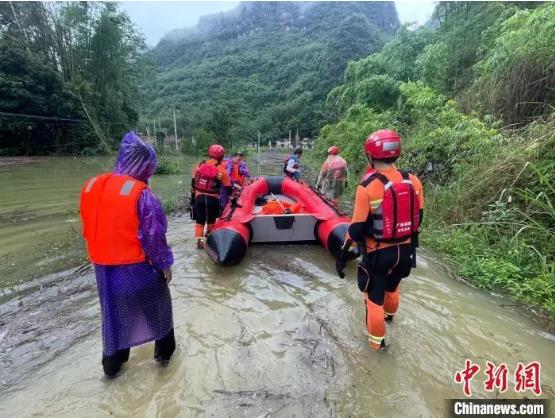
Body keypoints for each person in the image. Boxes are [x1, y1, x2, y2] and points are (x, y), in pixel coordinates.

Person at [80, 132, 176, 377]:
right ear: (144, 164)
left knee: (113, 320)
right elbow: (153, 238)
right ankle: (166, 364)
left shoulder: (91, 186)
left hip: (103, 272)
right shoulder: (142, 194)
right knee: (160, 314)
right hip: (137, 269)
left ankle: (112, 370)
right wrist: (165, 265)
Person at [336, 130, 424, 351]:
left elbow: (355, 228)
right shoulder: (413, 181)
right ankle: (390, 320)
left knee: (373, 299)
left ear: (370, 156)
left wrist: (343, 253)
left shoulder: (368, 186)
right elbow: (419, 217)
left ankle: (377, 349)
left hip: (378, 254)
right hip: (405, 253)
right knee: (392, 288)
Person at [192, 144, 232, 249]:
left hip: (199, 197)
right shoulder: (222, 170)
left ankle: (199, 242)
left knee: (200, 221)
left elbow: (193, 182)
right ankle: (210, 238)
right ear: (222, 156)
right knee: (211, 220)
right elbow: (228, 188)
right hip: (213, 199)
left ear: (209, 154)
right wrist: (232, 199)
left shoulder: (200, 165)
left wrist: (192, 199)